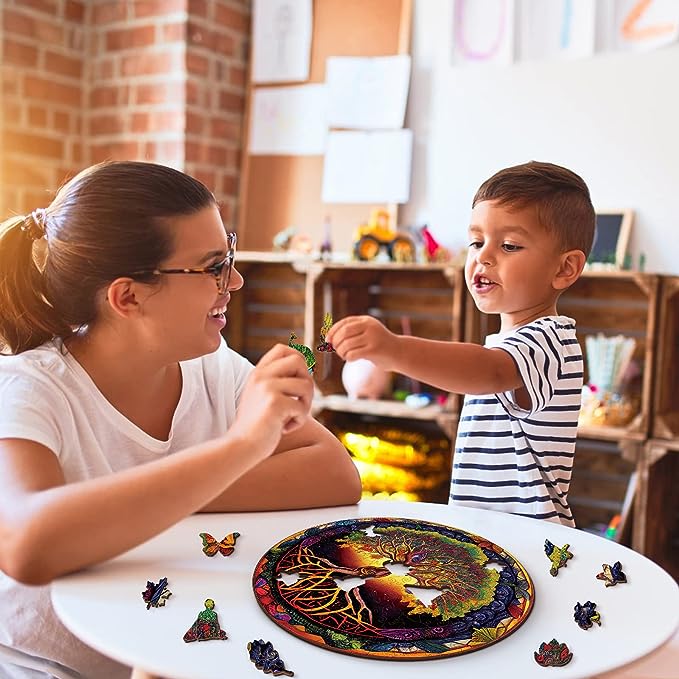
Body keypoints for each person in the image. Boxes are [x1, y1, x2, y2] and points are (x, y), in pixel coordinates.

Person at [0, 161, 361, 679]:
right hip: (41, 667)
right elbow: (26, 546)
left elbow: (335, 475)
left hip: (161, 653)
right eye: (212, 265)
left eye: (229, 255)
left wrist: (144, 502)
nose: (234, 280)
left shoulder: (213, 368)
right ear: (128, 296)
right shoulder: (28, 386)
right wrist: (242, 447)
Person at [327, 161, 596, 527]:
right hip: (491, 534)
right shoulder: (507, 341)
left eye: (509, 245)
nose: (483, 256)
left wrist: (393, 349)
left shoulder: (550, 340)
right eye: (476, 241)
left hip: (529, 536)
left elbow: (488, 369)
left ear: (564, 269)